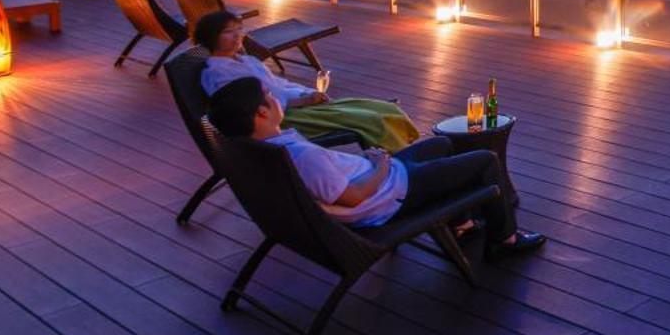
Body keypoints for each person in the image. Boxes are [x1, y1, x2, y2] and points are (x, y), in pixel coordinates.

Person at [206, 76, 545, 256]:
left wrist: (374, 163)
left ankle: (462, 222)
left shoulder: (259, 152)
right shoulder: (298, 156)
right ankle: (505, 239)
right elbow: (351, 197)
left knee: (442, 144)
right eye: (270, 96)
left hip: (378, 180)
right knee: (485, 160)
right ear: (262, 113)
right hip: (387, 196)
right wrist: (381, 167)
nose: (276, 98)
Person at [194, 9, 420, 151]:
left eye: (239, 30)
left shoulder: (247, 61)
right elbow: (247, 108)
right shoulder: (217, 74)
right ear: (211, 38)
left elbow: (279, 85)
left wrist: (306, 94)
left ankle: (408, 147)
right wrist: (299, 102)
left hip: (295, 104)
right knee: (371, 119)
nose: (237, 36)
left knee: (383, 108)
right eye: (228, 32)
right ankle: (401, 157)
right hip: (281, 119)